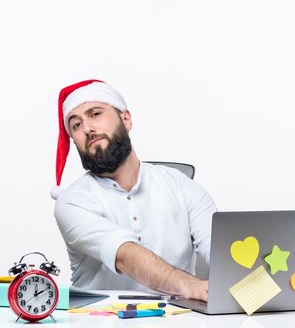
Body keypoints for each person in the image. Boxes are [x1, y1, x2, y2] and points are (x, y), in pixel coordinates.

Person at [52, 79, 217, 301]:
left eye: (95, 114)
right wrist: (191, 286)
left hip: (180, 320)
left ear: (126, 119)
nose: (88, 128)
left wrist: (268, 277)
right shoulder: (72, 203)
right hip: (99, 320)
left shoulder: (181, 186)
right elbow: (125, 256)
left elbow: (221, 251)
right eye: (76, 125)